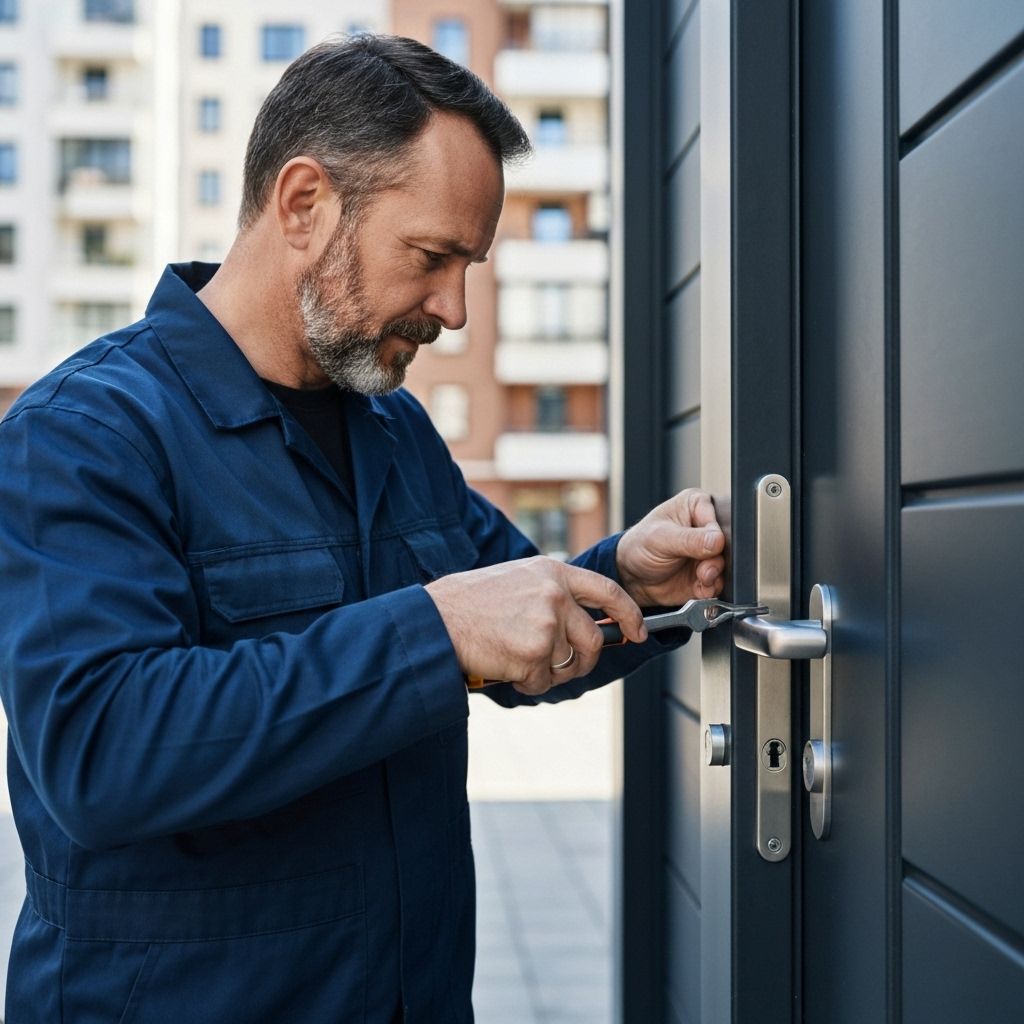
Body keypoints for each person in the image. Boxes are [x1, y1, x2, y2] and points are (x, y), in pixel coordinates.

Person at [0, 34, 724, 1024]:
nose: (455, 310)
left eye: (468, 265)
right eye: (431, 257)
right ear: (303, 204)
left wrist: (632, 578)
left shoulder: (393, 427)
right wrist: (433, 632)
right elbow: (101, 752)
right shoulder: (84, 433)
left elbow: (511, 617)